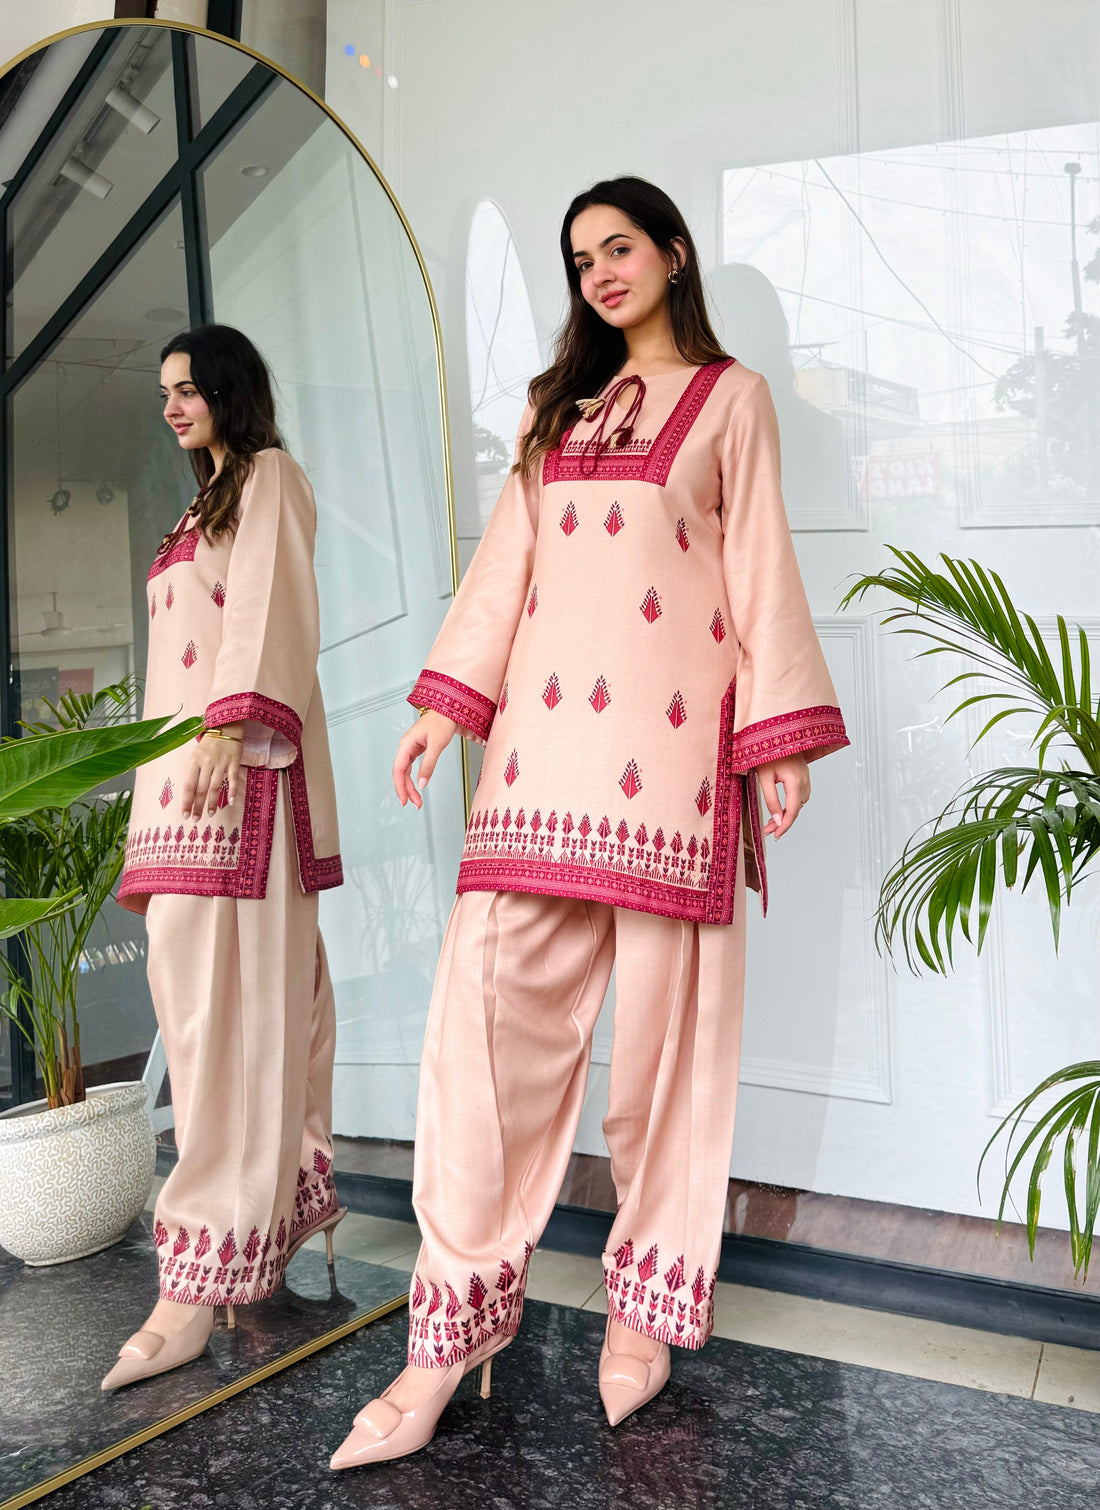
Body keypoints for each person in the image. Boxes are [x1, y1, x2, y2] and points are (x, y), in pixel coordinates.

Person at [330, 176, 848, 1469]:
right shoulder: (551, 408)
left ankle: (643, 1305)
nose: (599, 272)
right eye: (579, 258)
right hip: (538, 764)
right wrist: (443, 707)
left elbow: (759, 570)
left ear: (672, 253)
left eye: (619, 247)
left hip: (673, 774)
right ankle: (448, 1330)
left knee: (666, 1064)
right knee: (482, 1040)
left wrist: (776, 739)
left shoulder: (731, 399)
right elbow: (506, 568)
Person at [102, 324, 344, 1391]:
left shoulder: (267, 479)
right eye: (164, 390)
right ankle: (290, 1198)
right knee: (224, 1006)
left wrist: (222, 729)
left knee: (233, 1017)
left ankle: (197, 1272)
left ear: (230, 391)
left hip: (238, 775)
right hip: (177, 796)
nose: (172, 406)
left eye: (189, 388)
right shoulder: (190, 514)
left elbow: (265, 614)